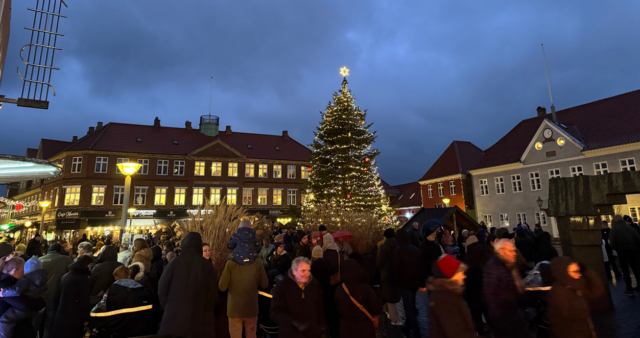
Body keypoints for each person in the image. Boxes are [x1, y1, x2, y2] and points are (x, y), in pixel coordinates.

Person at [158, 232, 218, 338]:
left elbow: (162, 288)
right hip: (200, 319)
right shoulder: (207, 265)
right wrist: (208, 310)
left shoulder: (174, 263)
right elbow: (213, 292)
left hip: (174, 318)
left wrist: (167, 307)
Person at [219, 237, 269, 338]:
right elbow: (265, 284)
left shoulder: (230, 263)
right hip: (251, 308)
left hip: (235, 309)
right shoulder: (257, 263)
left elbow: (222, 287)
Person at [88, 265, 155, 337]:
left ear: (116, 276)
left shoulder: (115, 288)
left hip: (120, 324)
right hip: (139, 324)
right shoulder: (140, 287)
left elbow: (103, 305)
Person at [483, 239, 530, 338]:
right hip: (504, 318)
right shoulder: (494, 268)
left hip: (512, 314)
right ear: (501, 251)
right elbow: (491, 295)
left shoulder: (507, 265)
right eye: (511, 251)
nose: (514, 254)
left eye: (514, 251)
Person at [547, 257, 604, 338]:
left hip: (585, 330)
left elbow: (596, 292)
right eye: (575, 272)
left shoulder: (576, 284)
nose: (579, 274)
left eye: (579, 271)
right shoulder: (559, 292)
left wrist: (587, 272)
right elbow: (566, 317)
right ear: (563, 272)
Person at [270, 257, 324, 338]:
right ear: (294, 271)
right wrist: (293, 323)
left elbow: (319, 310)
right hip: (290, 334)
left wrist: (322, 330)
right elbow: (275, 312)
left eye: (308, 270)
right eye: (303, 271)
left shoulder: (314, 286)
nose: (307, 274)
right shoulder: (283, 288)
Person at [428, 254, 476, 338]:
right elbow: (456, 331)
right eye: (460, 273)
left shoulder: (449, 293)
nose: (464, 276)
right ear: (451, 275)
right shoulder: (445, 299)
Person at [0, 257, 47, 338]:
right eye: (23, 268)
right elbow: (24, 305)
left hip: (19, 327)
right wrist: (41, 303)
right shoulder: (5, 284)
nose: (25, 271)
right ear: (15, 270)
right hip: (16, 330)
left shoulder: (14, 282)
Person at [47, 255, 93, 338]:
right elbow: (84, 299)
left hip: (61, 315)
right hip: (75, 317)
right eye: (90, 264)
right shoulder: (83, 279)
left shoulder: (65, 276)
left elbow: (57, 296)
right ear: (86, 265)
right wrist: (86, 317)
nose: (91, 267)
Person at [334, 259, 381, 338]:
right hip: (364, 328)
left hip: (346, 329)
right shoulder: (365, 288)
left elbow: (336, 308)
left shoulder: (339, 289)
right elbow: (377, 308)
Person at [393, 228, 425, 338]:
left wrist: (397, 282)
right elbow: (421, 267)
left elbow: (396, 269)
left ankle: (416, 332)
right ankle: (407, 329)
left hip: (404, 284)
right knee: (411, 306)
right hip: (414, 283)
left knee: (409, 308)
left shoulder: (398, 250)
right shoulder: (415, 249)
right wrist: (421, 283)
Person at [608, 215, 640, 295]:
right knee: (636, 270)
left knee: (625, 271)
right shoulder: (630, 228)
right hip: (633, 251)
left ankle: (629, 289)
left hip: (622, 252)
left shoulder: (614, 230)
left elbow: (612, 241)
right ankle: (639, 285)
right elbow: (637, 239)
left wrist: (617, 249)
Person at [377, 229, 401, 325]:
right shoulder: (398, 245)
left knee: (389, 297)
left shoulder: (383, 247)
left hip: (386, 275)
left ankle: (395, 320)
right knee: (393, 295)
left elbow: (379, 263)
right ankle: (389, 313)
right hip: (397, 274)